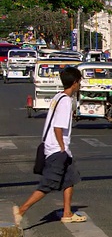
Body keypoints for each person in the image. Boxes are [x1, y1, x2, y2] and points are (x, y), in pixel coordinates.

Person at [13, 67, 87, 225]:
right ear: (74, 83)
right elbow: (58, 127)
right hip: (57, 150)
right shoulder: (66, 101)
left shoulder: (59, 97)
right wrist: (62, 147)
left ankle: (67, 213)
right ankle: (21, 210)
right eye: (79, 82)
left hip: (58, 149)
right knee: (48, 184)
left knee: (70, 179)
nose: (80, 85)